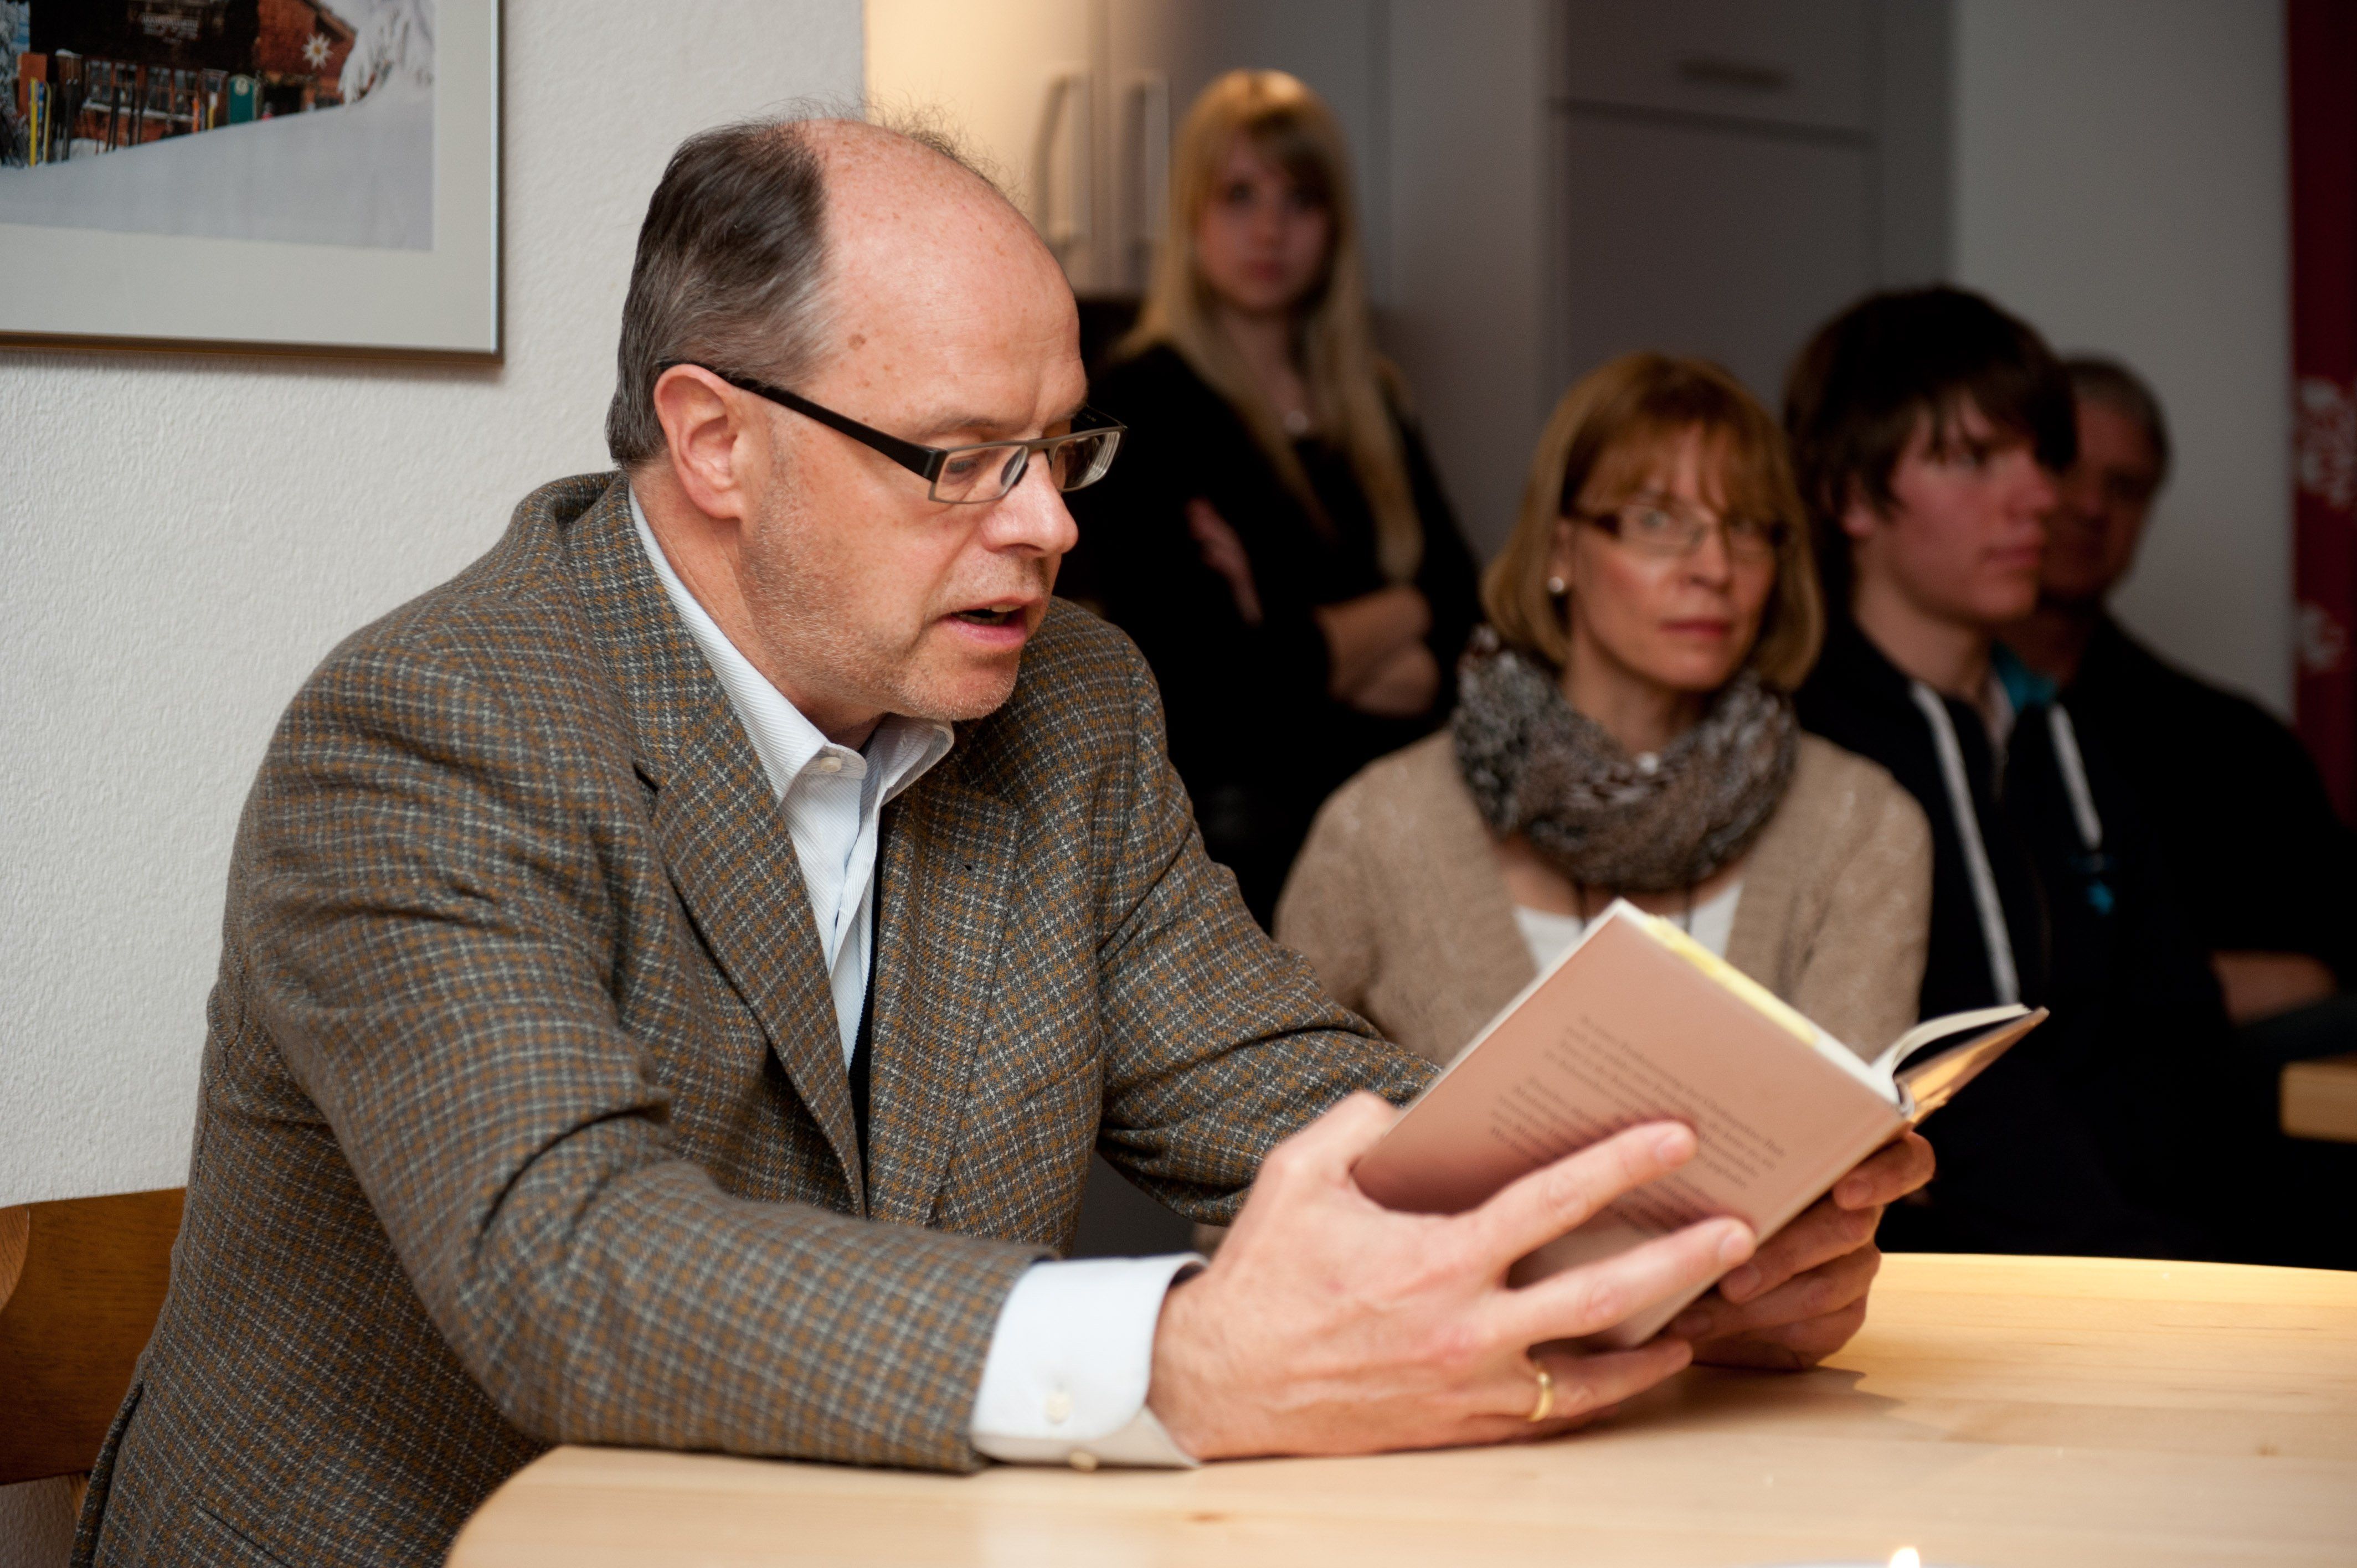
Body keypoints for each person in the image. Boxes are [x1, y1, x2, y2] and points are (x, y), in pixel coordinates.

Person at [76, 118, 1928, 1567]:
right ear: (715, 444)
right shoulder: (429, 729)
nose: (1048, 526)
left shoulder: (1072, 703)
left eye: (1061, 449)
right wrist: (1181, 1359)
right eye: (962, 458)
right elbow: (569, 1267)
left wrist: (1658, 1245)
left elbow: (1288, 1092)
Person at [1277, 353, 1933, 1071]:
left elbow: (1852, 1129)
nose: (1715, 568)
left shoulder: (1858, 825)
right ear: (1562, 548)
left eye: (1747, 527)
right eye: (1657, 520)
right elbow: (1269, 1107)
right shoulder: (1382, 829)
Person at [1787, 286, 2232, 1260]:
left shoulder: (2058, 734)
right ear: (1850, 496)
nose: (2042, 498)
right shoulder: (1802, 755)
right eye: (1974, 458)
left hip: (2141, 1251)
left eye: (2041, 456)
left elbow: (2183, 1028)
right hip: (1939, 1282)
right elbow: (1935, 1107)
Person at [1062, 70, 1481, 925]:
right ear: (1191, 214)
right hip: (1248, 858)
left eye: (1301, 199)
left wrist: (1289, 631)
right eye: (1239, 195)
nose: (1269, 230)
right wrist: (1397, 626)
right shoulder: (1142, 401)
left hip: (1407, 837)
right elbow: (1212, 687)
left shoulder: (1373, 397)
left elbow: (1462, 603)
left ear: (1335, 226)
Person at [2003, 357, 2357, 1022]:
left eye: (2124, 487)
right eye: (2065, 469)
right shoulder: (1919, 724)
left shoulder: (2239, 748)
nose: (2090, 507)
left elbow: (2327, 960)